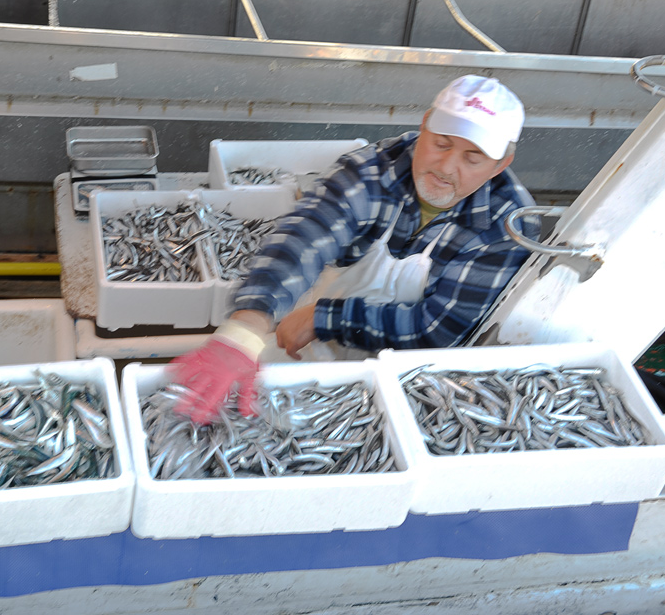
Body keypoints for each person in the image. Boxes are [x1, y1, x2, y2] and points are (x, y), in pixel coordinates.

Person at [170, 74, 539, 424]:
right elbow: (305, 237)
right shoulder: (372, 171)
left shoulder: (508, 225)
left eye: (471, 157)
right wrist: (244, 329)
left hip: (412, 385)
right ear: (425, 124)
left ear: (500, 164)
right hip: (305, 350)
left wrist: (325, 318)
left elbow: (438, 328)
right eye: (441, 143)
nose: (446, 166)